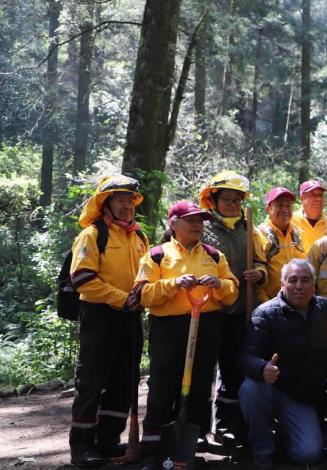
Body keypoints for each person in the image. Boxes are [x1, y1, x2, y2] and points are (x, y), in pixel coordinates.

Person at [135, 201, 238, 460]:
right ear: (173, 224)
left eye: (200, 221)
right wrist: (174, 284)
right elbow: (143, 295)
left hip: (208, 324)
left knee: (201, 381)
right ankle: (153, 444)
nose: (197, 225)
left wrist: (219, 284)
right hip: (168, 328)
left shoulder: (214, 255)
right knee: (163, 383)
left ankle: (195, 436)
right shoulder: (157, 255)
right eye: (191, 220)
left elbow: (232, 293)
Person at [68, 176, 149, 468]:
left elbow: (146, 275)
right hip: (100, 316)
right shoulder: (92, 235)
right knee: (92, 381)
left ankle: (109, 440)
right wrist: (122, 298)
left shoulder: (139, 236)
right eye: (120, 201)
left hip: (131, 316)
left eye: (130, 201)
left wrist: (143, 296)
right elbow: (82, 279)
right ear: (106, 204)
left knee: (124, 379)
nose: (127, 206)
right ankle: (82, 448)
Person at [239, 259, 327, 469]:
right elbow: (245, 357)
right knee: (251, 388)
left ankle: (285, 434)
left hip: (301, 397)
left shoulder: (325, 309)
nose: (299, 286)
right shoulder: (264, 313)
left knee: (308, 454)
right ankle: (263, 449)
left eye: (305, 280)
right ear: (282, 284)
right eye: (293, 280)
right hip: (271, 391)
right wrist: (262, 368)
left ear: (313, 285)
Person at [197, 171, 266, 444]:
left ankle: (228, 424)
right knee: (201, 370)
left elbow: (262, 262)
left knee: (233, 368)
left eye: (236, 200)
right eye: (226, 199)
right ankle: (198, 428)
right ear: (213, 200)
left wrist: (259, 275)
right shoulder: (202, 226)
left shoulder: (249, 228)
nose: (232, 204)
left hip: (240, 309)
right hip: (208, 309)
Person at [257, 187, 306, 303]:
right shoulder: (259, 235)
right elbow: (257, 275)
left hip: (298, 302)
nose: (284, 210)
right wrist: (266, 305)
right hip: (272, 303)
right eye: (279, 205)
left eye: (288, 206)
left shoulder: (299, 234)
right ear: (268, 209)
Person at [291, 180, 327, 252]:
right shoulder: (290, 221)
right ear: (302, 198)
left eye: (320, 195)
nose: (318, 198)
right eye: (313, 195)